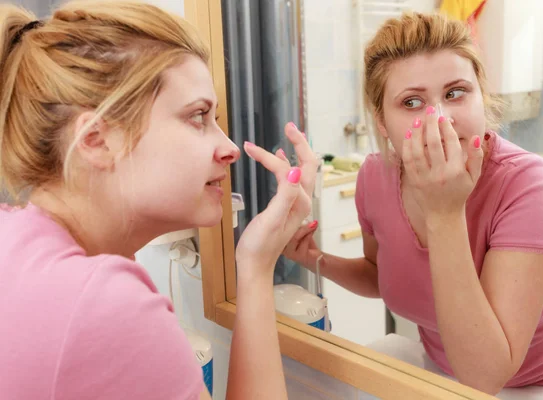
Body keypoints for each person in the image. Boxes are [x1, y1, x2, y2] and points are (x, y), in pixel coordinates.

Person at [0, 1, 318, 399]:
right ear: (98, 140)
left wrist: (254, 263)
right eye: (199, 116)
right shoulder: (106, 307)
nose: (229, 148)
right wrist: (255, 269)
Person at [284, 12, 543, 396]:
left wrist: (445, 211)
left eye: (455, 93)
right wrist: (313, 257)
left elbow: (486, 373)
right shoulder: (374, 177)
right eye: (412, 102)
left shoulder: (530, 185)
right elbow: (379, 274)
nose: (441, 119)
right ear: (383, 123)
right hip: (449, 376)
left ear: (482, 95)